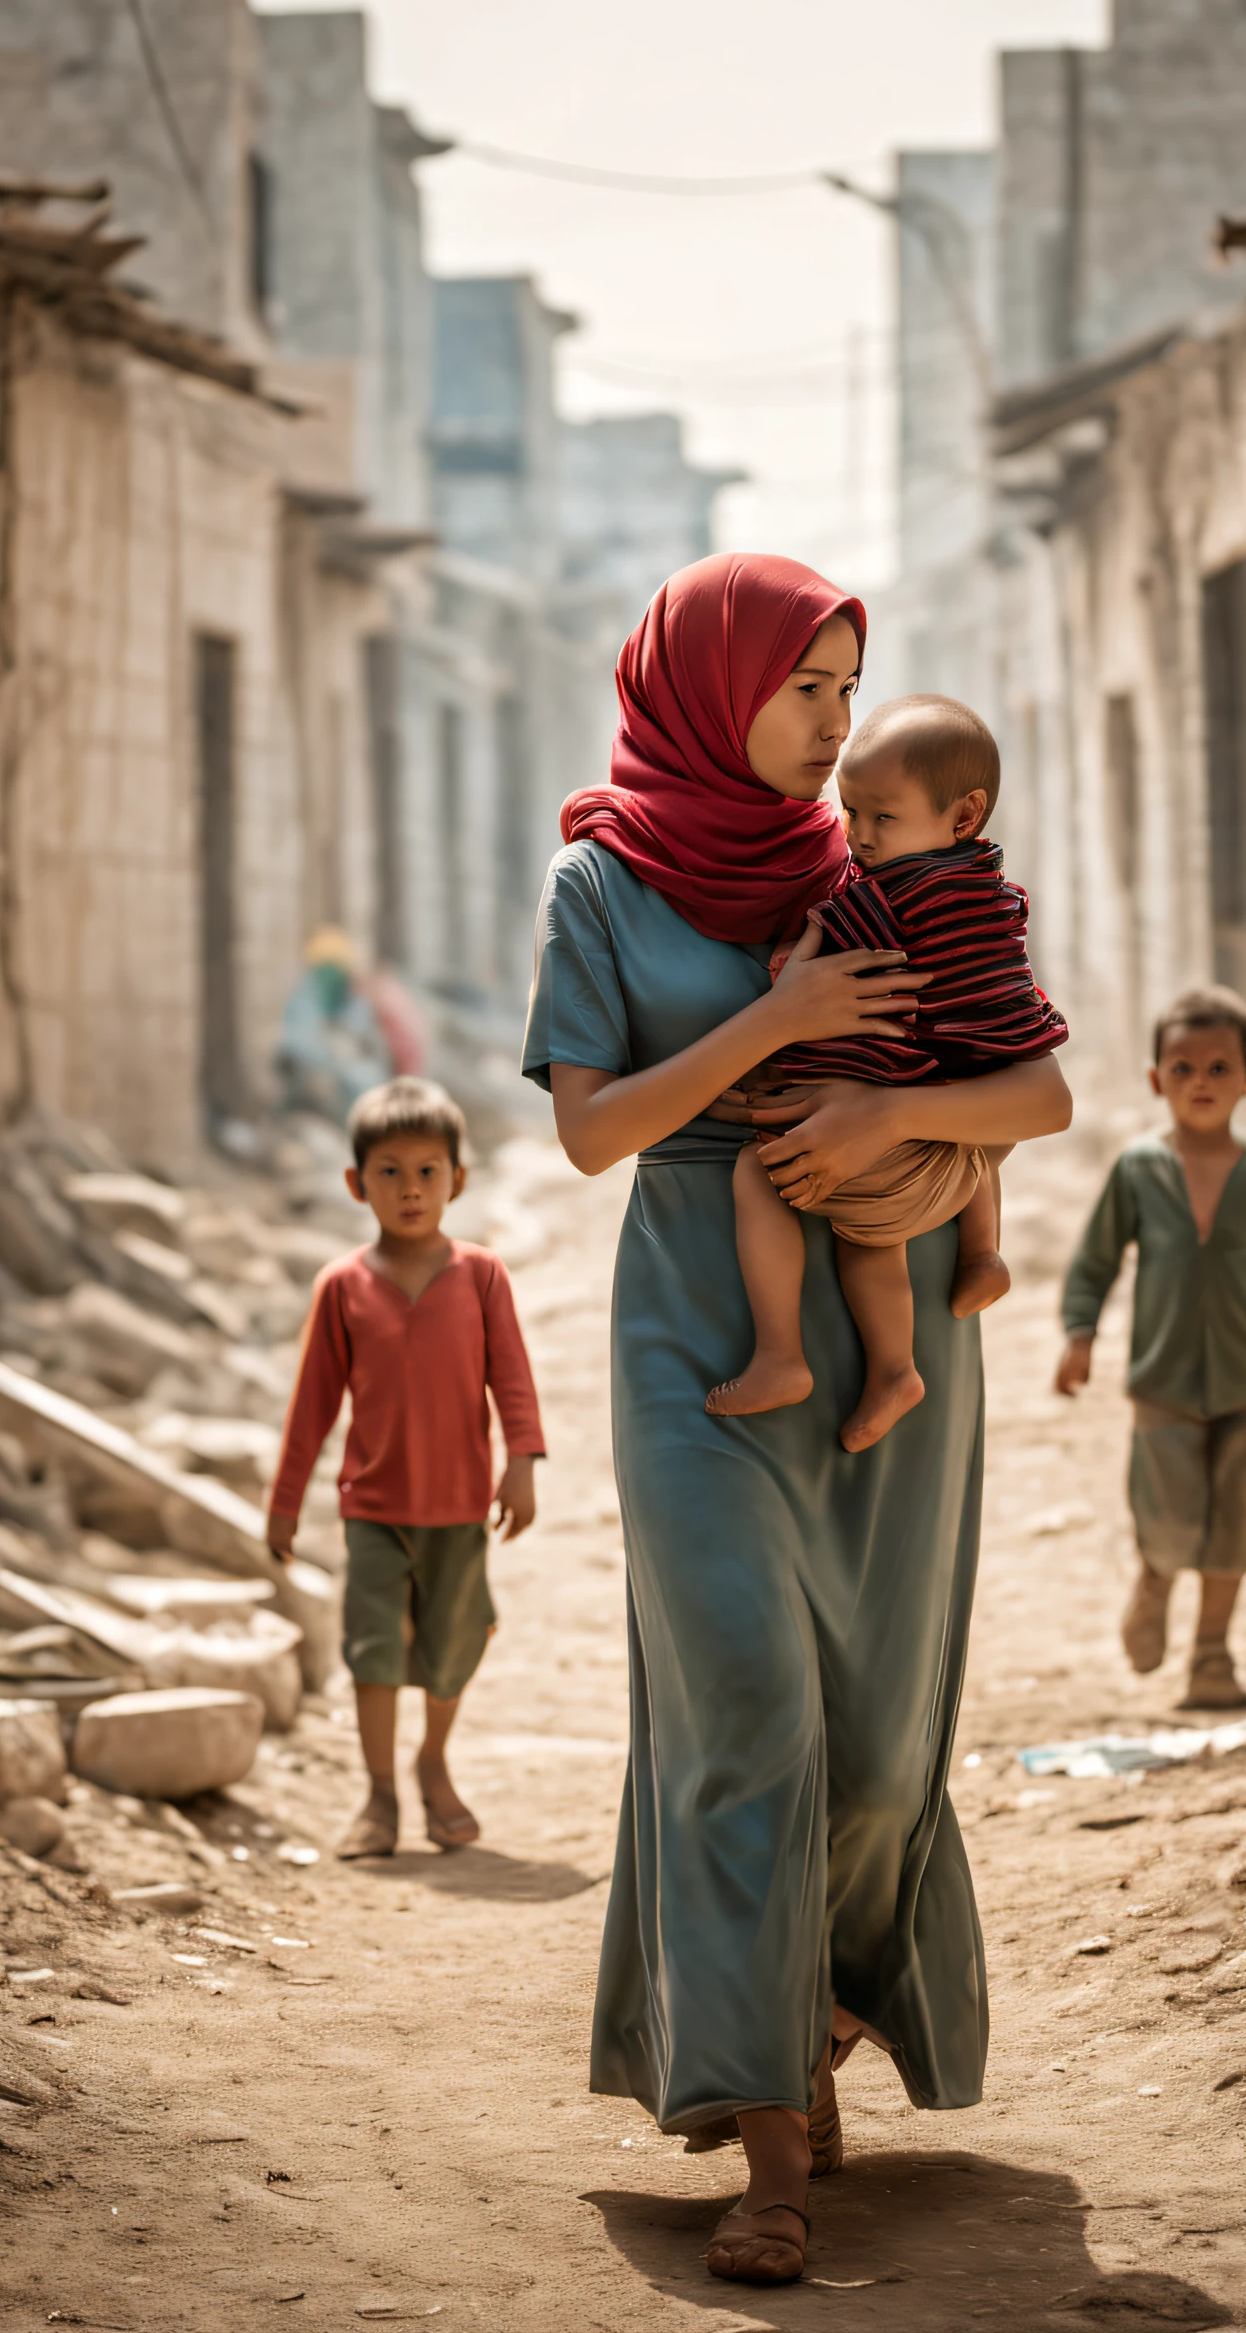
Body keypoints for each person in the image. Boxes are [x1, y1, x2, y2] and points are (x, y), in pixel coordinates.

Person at [524, 552, 1071, 2288]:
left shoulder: (882, 860)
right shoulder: (597, 882)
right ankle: (768, 2153)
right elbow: (592, 1135)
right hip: (699, 1322)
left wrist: (874, 1118)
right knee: (746, 1701)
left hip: (882, 1311)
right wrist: (772, 1022)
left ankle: (812, 2012)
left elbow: (1029, 1080)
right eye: (804, 690)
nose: (833, 730)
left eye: (850, 692)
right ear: (709, 684)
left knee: (884, 1744)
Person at [705, 693, 1067, 1452]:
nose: (860, 838)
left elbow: (813, 962)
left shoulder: (894, 893)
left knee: (772, 1184)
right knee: (973, 1106)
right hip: (953, 1133)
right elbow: (1006, 1053)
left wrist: (790, 969)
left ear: (962, 815)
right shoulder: (989, 891)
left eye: (882, 818)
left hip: (888, 1153)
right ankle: (979, 1256)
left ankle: (784, 1354)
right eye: (851, 813)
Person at [266, 1077, 546, 1860]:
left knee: (455, 1643)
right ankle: (380, 1794)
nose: (411, 1188)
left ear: (458, 1179)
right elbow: (312, 1407)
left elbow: (512, 1377)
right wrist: (285, 1503)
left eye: (428, 1171)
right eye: (390, 1171)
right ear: (358, 1184)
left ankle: (433, 1762)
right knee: (374, 1650)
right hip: (374, 1508)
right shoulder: (342, 1288)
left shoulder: (483, 1275)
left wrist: (522, 1460)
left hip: (460, 1507)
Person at [1054, 986, 1246, 1709]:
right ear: (1156, 1081)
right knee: (1170, 1516)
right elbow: (1096, 1260)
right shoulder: (1139, 1170)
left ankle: (1212, 1659)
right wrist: (1079, 1333)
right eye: (1182, 1069)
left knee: (1237, 1525)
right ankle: (1154, 1580)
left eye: (1217, 1068)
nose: (1200, 1083)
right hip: (1162, 1381)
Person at [276, 927, 392, 1124]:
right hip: (311, 1082)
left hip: (352, 1081)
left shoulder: (353, 999)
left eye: (333, 968)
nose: (329, 976)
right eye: (324, 969)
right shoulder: (305, 997)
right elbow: (296, 1042)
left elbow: (361, 1039)